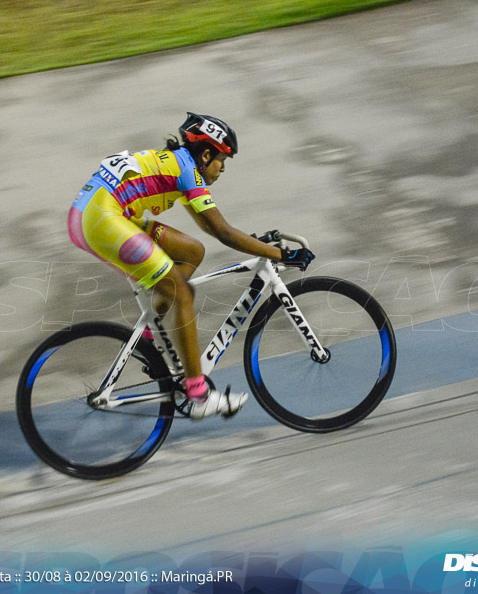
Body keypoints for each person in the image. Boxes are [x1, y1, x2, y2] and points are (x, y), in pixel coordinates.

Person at [67, 112, 314, 419]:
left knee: (192, 251)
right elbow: (223, 232)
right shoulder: (187, 171)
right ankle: (199, 395)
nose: (223, 168)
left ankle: (151, 332)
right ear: (206, 153)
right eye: (222, 159)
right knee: (182, 294)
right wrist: (281, 255)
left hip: (95, 214)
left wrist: (256, 245)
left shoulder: (178, 163)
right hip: (103, 219)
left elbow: (211, 231)